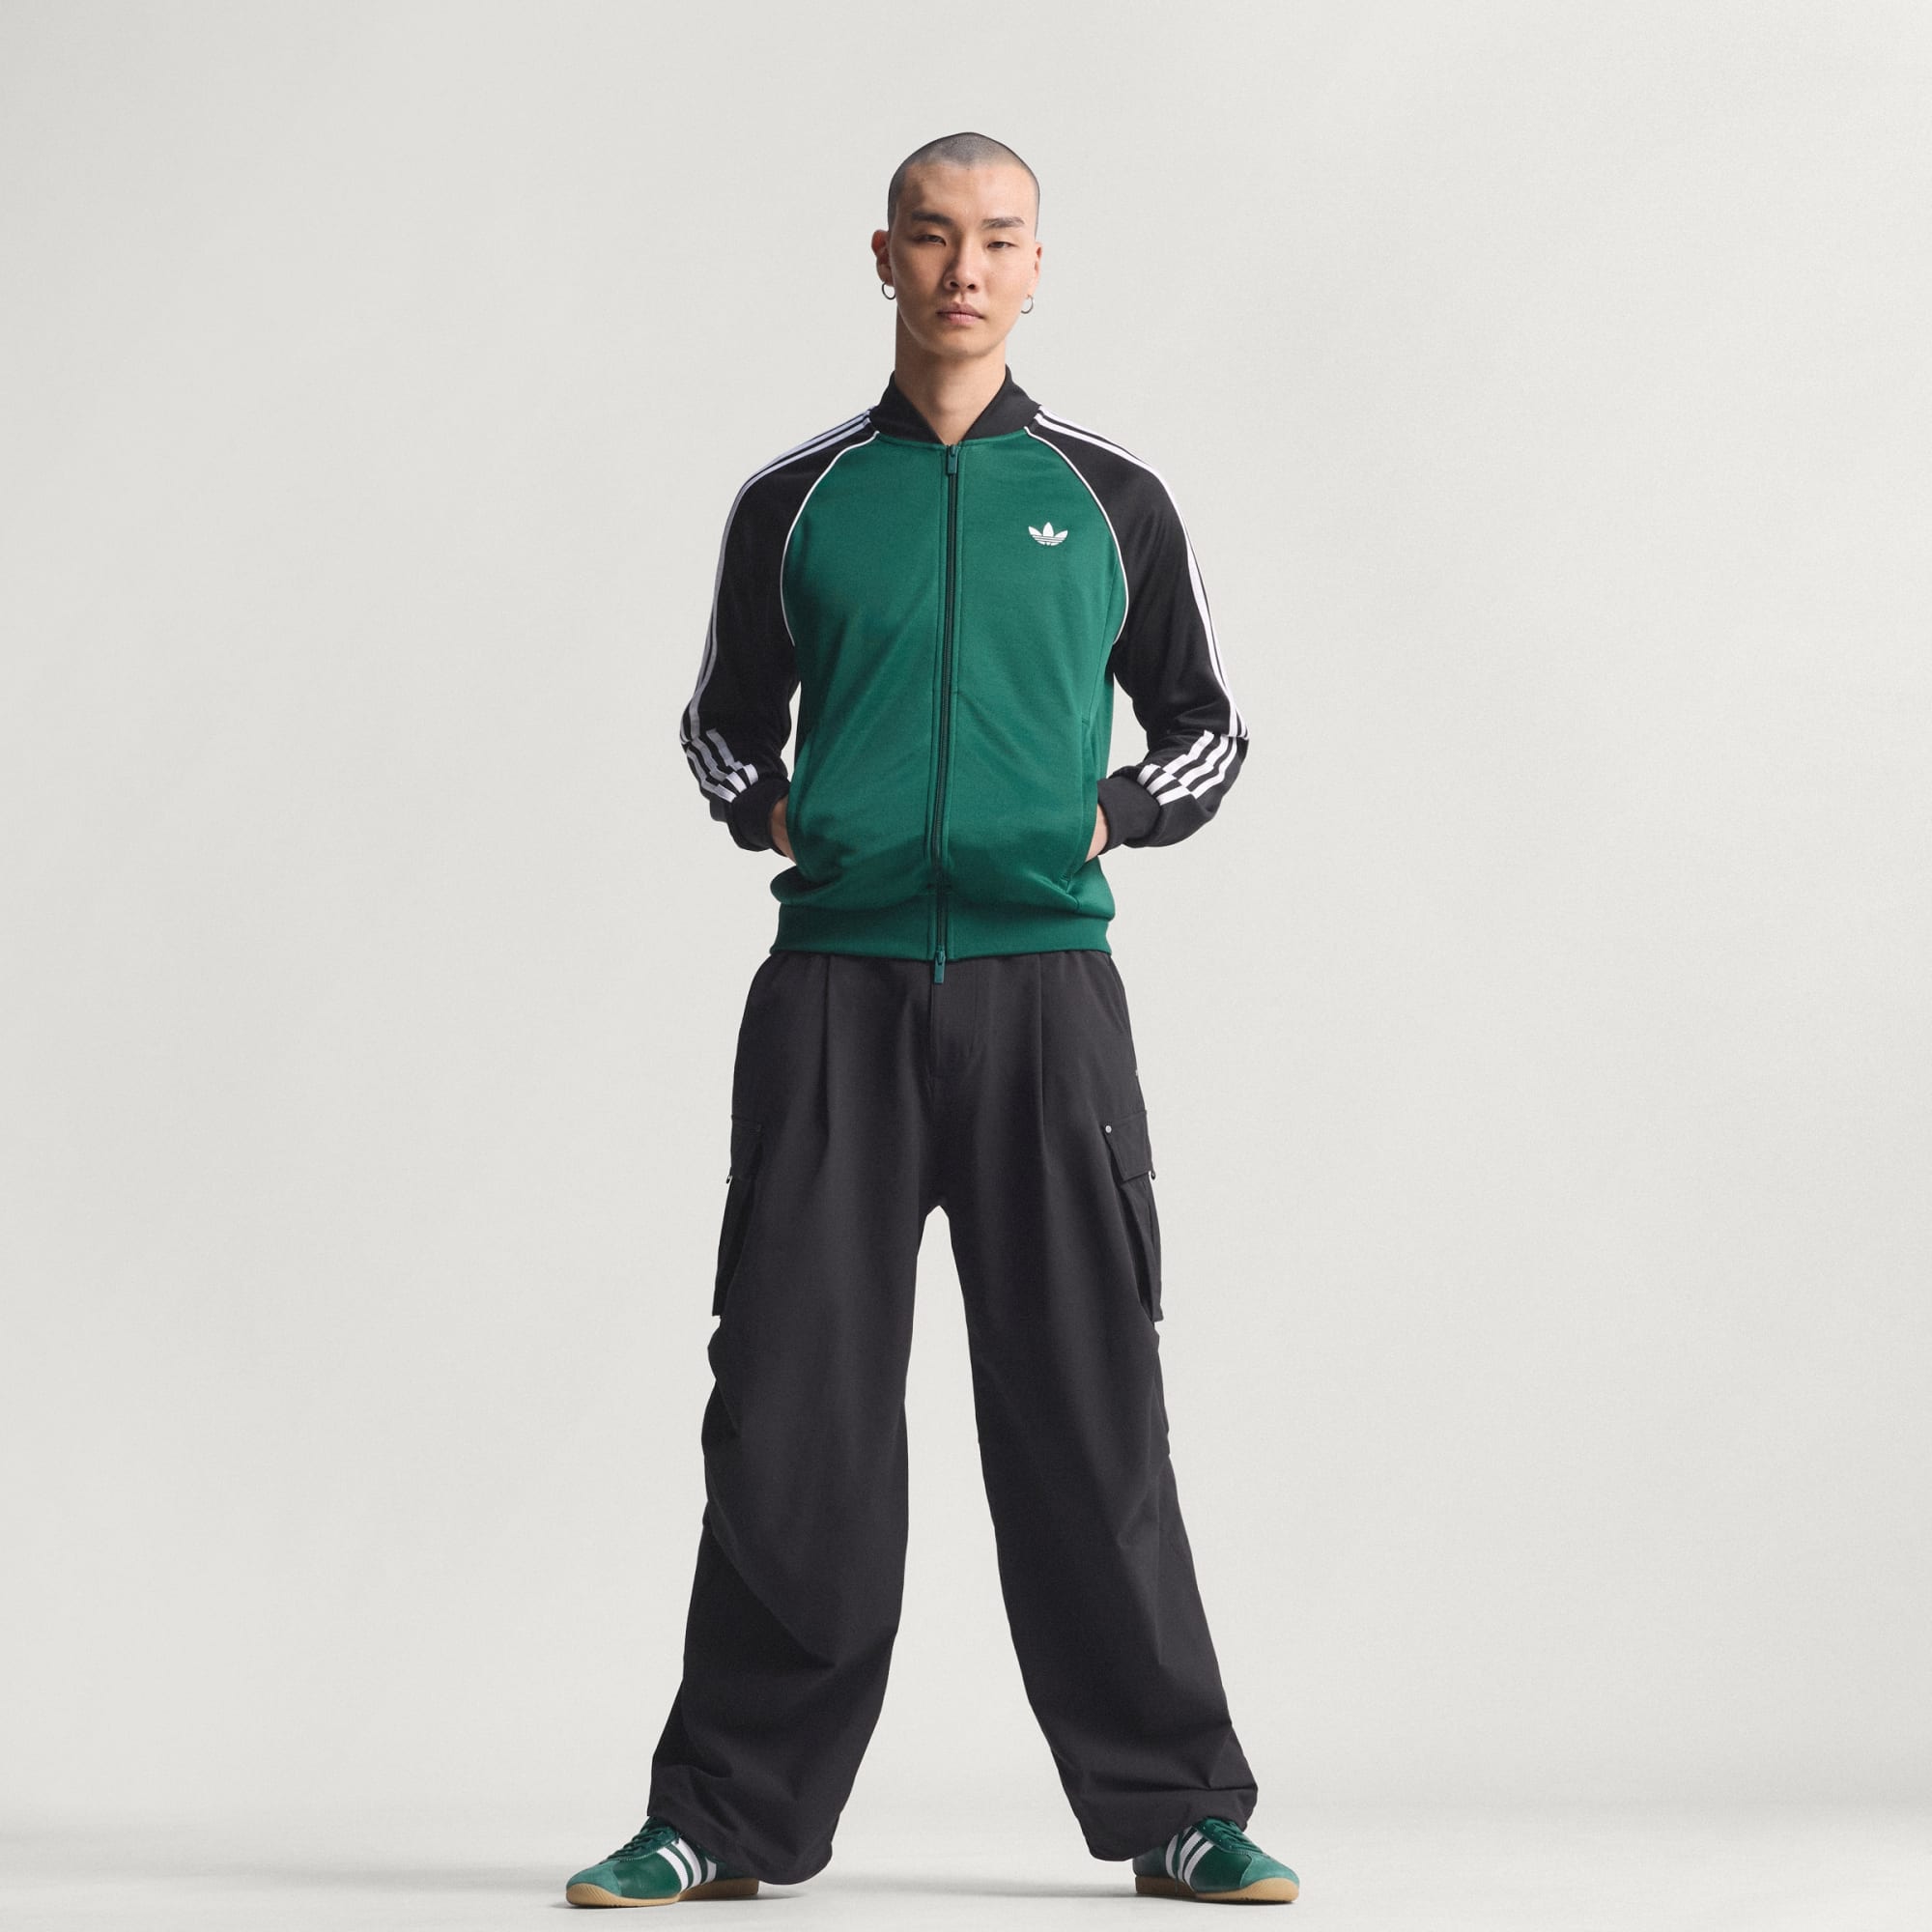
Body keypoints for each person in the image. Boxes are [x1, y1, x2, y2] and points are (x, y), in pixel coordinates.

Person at [565, 131, 1299, 1910]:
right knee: (791, 1417)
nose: (965, 267)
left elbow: (1209, 724)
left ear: (1039, 267)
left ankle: (1177, 1807)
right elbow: (720, 721)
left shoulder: (1112, 500)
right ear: (883, 256)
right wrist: (777, 814)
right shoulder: (799, 500)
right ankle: (722, 1815)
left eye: (999, 239)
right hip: (834, 1001)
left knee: (1090, 1409)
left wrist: (1104, 817)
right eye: (933, 235)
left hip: (1049, 1004)